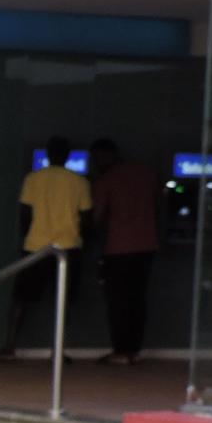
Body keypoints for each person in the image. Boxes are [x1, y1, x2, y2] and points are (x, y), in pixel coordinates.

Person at [0, 136, 90, 362]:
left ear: (48, 154)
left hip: (36, 245)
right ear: (68, 156)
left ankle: (10, 345)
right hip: (68, 247)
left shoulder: (33, 179)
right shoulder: (79, 182)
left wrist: (27, 237)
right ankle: (57, 351)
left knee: (20, 298)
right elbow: (87, 218)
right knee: (62, 302)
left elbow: (25, 213)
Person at [89, 139, 158, 365]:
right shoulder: (144, 173)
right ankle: (134, 350)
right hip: (147, 246)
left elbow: (97, 216)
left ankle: (120, 351)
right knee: (138, 299)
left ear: (102, 156)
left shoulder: (106, 180)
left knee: (118, 301)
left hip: (118, 248)